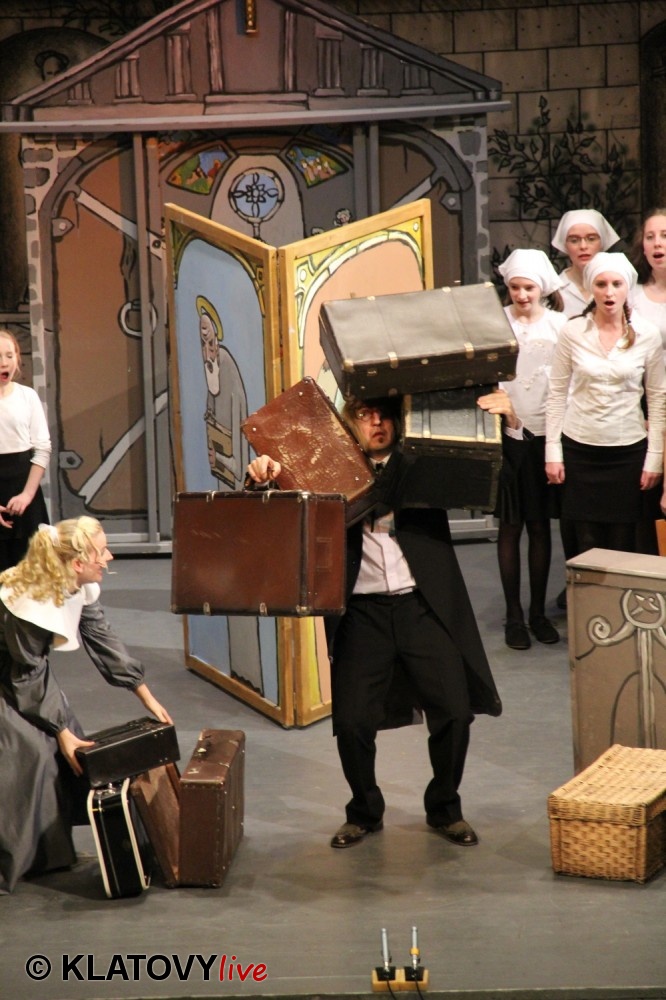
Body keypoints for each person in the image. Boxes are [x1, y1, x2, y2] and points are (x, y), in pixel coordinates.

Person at [247, 397, 502, 850]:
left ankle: (445, 807)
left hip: (422, 605)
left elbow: (489, 475)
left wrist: (508, 423)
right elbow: (275, 508)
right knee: (350, 723)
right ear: (350, 423)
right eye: (365, 415)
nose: (376, 423)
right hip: (362, 612)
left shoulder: (422, 464)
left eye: (383, 414)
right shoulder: (326, 468)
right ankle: (364, 811)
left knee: (454, 712)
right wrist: (259, 477)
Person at [0, 517, 172, 894]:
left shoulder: (78, 584)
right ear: (78, 562)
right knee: (34, 753)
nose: (109, 558)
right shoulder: (30, 601)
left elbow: (102, 639)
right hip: (11, 677)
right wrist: (60, 730)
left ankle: (47, 856)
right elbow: (26, 673)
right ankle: (16, 858)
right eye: (102, 552)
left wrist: (145, 695)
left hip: (22, 675)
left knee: (64, 746)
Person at [545, 253, 666, 555]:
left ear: (627, 288)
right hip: (579, 449)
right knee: (583, 542)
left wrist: (654, 458)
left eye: (616, 284)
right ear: (591, 288)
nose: (609, 292)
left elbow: (657, 398)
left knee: (624, 544)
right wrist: (552, 452)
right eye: (601, 284)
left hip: (627, 451)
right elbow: (557, 393)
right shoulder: (573, 331)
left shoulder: (647, 335)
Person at [480, 249, 567, 651]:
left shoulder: (560, 325)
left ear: (542, 288)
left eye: (528, 287)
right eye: (515, 287)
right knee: (510, 525)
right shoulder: (497, 322)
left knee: (539, 525)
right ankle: (514, 615)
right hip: (507, 435)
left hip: (547, 435)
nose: (521, 294)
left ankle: (537, 614)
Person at [550, 211, 624, 603]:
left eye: (590, 238)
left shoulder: (618, 278)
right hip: (570, 404)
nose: (583, 246)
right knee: (574, 512)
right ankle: (577, 583)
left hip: (616, 408)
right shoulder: (555, 288)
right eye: (574, 239)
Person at [628, 210, 666, 552]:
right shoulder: (632, 296)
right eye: (651, 236)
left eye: (665, 236)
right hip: (643, 405)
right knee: (646, 504)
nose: (657, 244)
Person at [0, 329, 52, 572]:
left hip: (24, 491)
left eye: (9, 355)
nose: (4, 363)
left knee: (31, 571)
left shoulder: (27, 396)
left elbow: (42, 448)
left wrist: (27, 495)